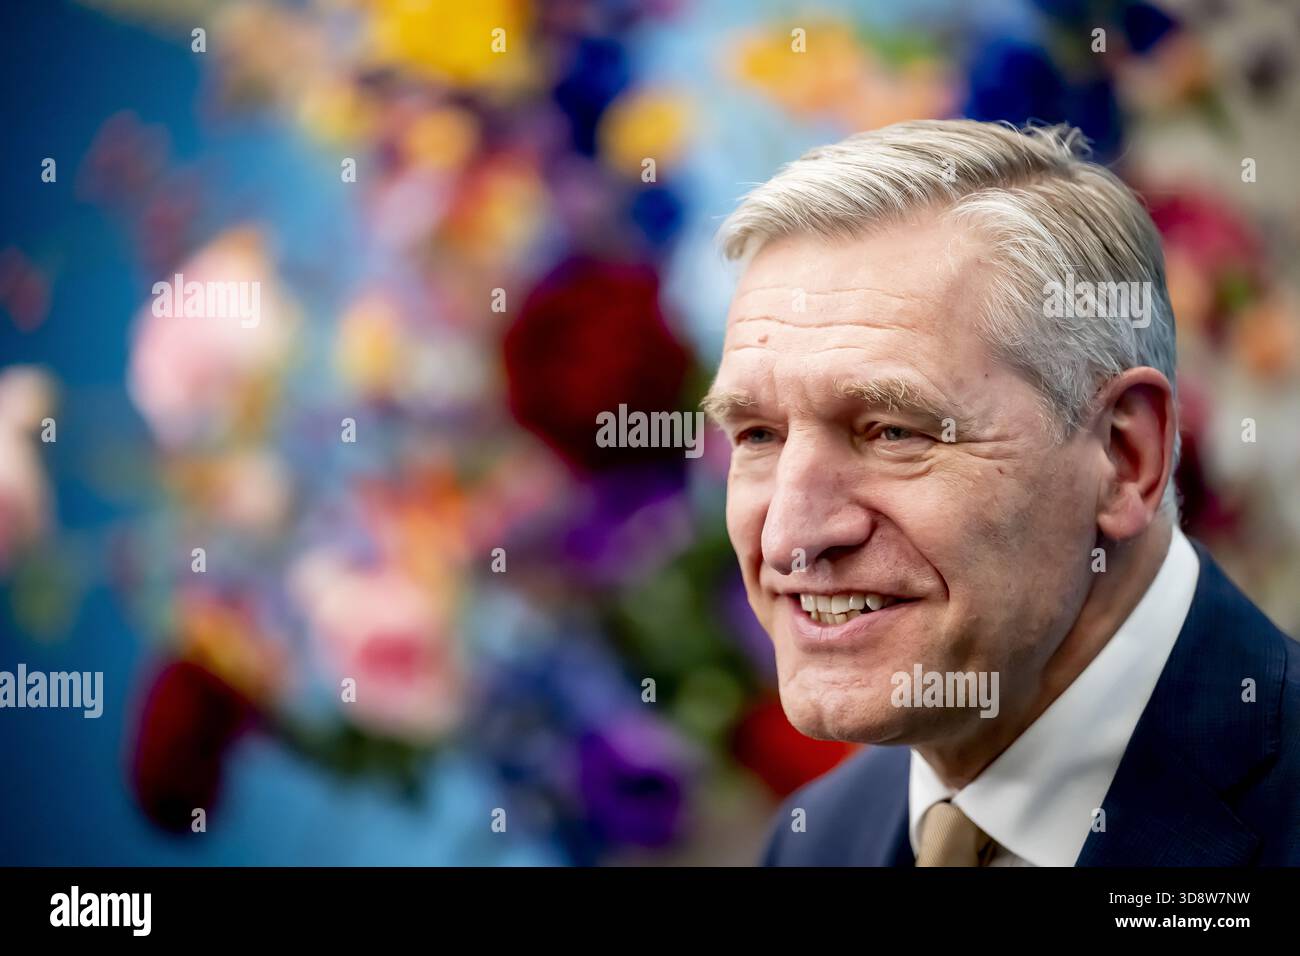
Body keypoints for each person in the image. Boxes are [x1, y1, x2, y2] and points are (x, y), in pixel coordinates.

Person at [704, 119, 1300, 866]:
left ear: (1125, 456)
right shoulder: (818, 840)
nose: (791, 534)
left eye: (892, 431)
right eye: (757, 435)